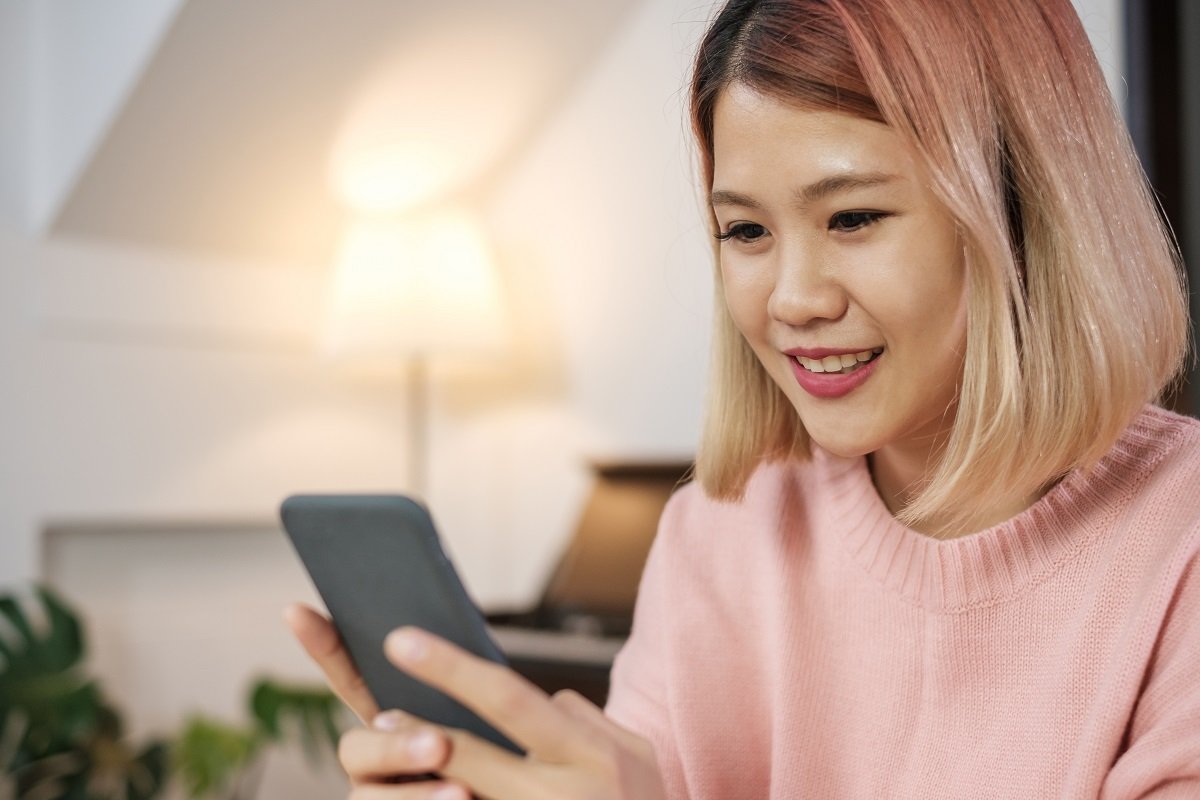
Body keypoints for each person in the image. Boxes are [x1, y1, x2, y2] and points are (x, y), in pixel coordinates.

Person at [285, 0, 1200, 796]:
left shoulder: (1179, 547)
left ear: (1025, 209)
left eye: (853, 218)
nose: (794, 299)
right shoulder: (718, 531)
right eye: (746, 230)